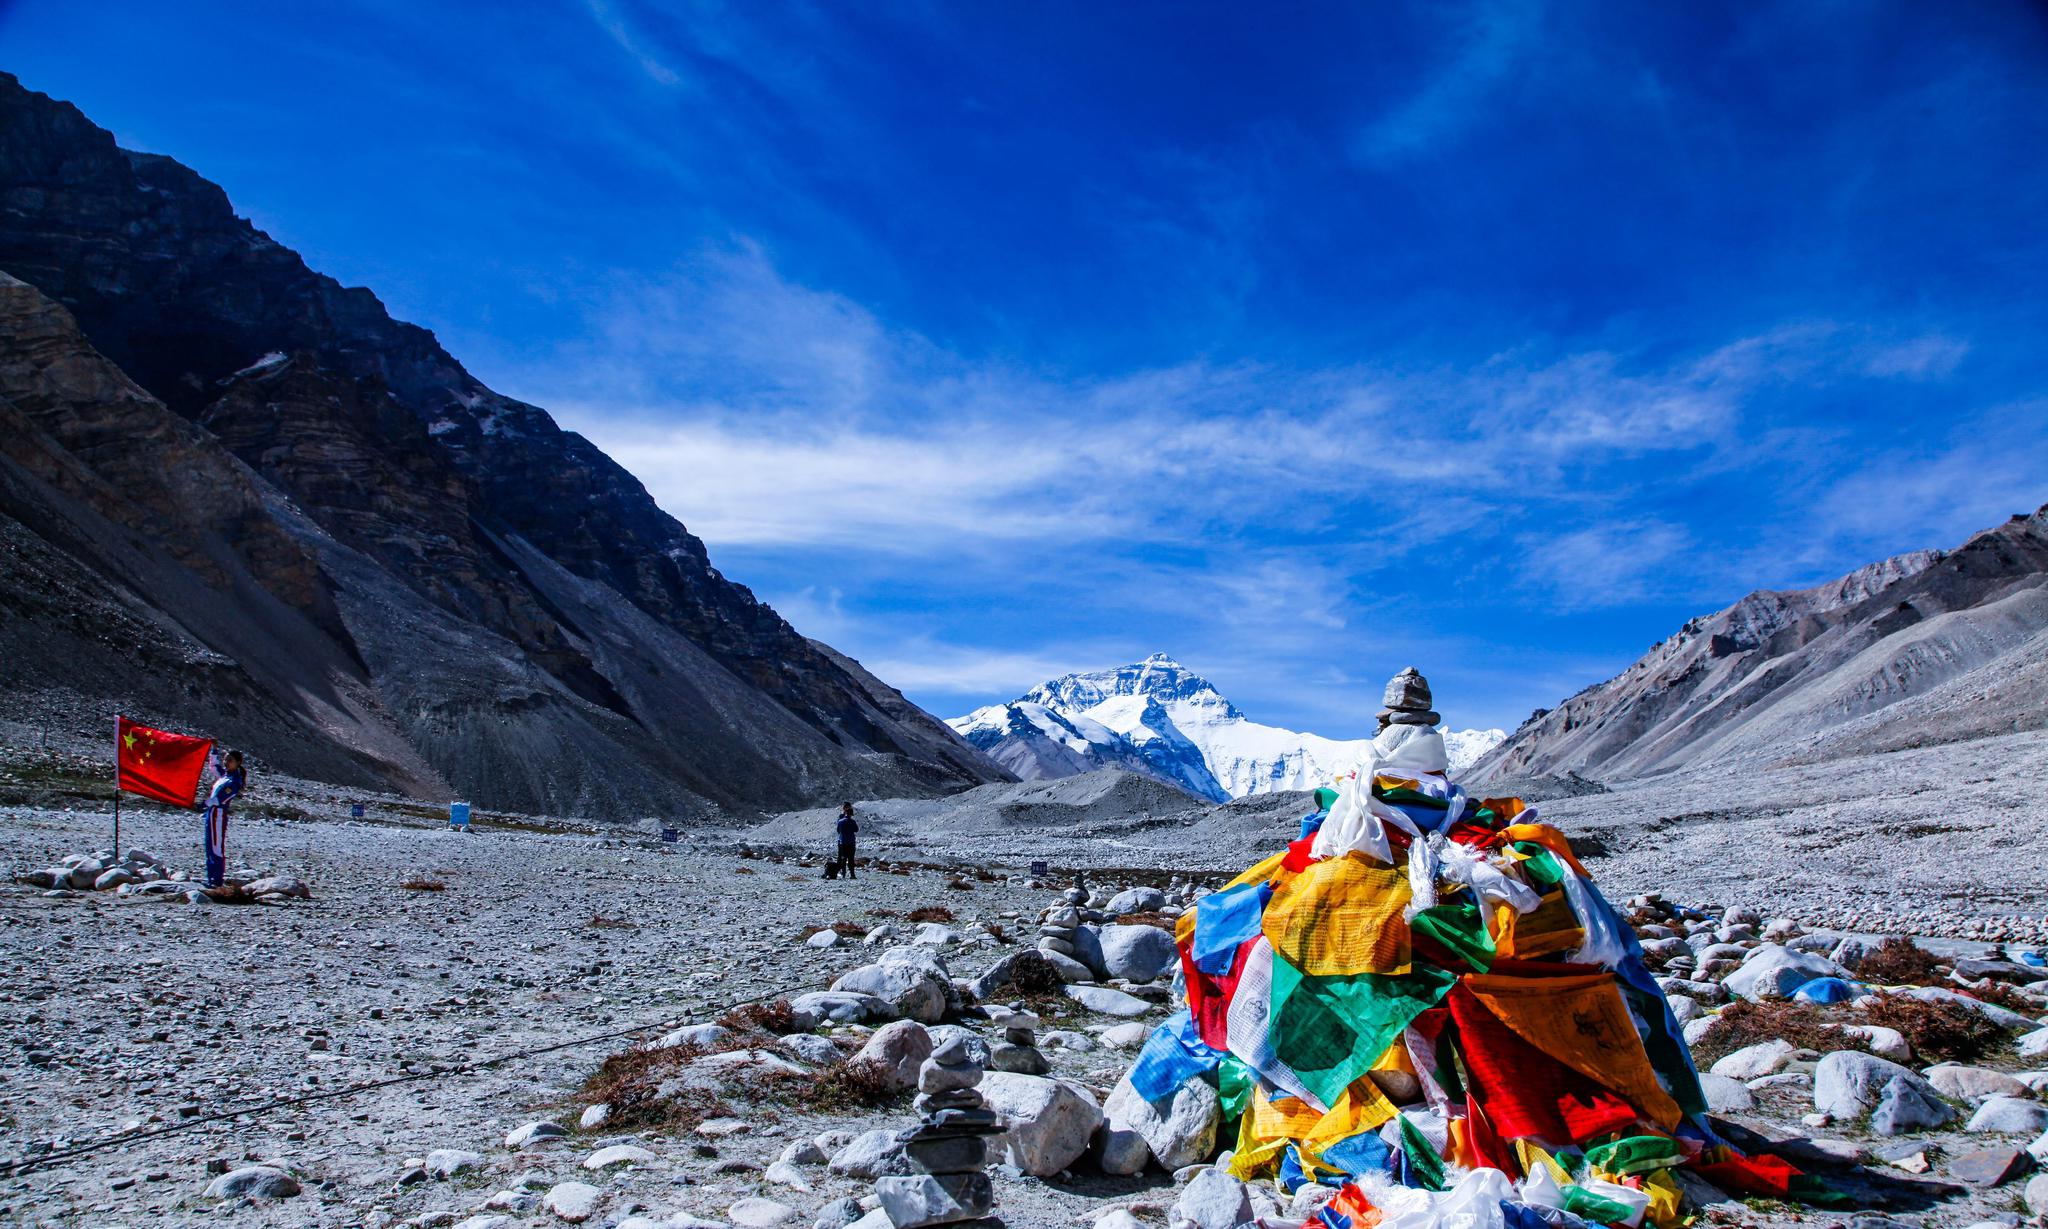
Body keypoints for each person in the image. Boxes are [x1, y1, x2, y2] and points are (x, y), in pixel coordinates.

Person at [202, 750, 245, 888]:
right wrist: (213, 750)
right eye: (226, 759)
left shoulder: (234, 781)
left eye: (230, 760)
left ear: (238, 763)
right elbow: (214, 766)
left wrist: (203, 804)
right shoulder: (225, 776)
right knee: (210, 845)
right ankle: (211, 878)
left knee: (216, 847)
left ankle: (216, 880)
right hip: (211, 813)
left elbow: (220, 799)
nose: (226, 762)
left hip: (218, 815)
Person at [835, 802, 858, 880]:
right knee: (851, 859)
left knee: (843, 858)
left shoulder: (840, 821)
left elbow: (838, 830)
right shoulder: (853, 822)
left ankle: (843, 874)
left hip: (842, 842)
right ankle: (852, 874)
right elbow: (856, 829)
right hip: (851, 842)